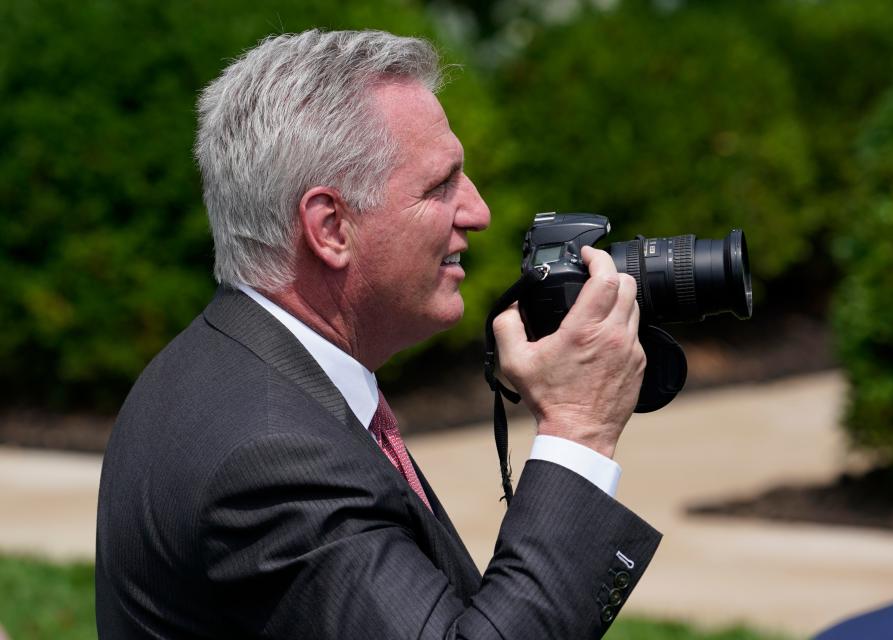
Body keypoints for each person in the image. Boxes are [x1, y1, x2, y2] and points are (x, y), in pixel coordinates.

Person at [95, 29, 660, 638]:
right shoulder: (273, 459)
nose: (478, 211)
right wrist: (579, 429)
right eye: (440, 186)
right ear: (331, 227)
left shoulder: (230, 368)